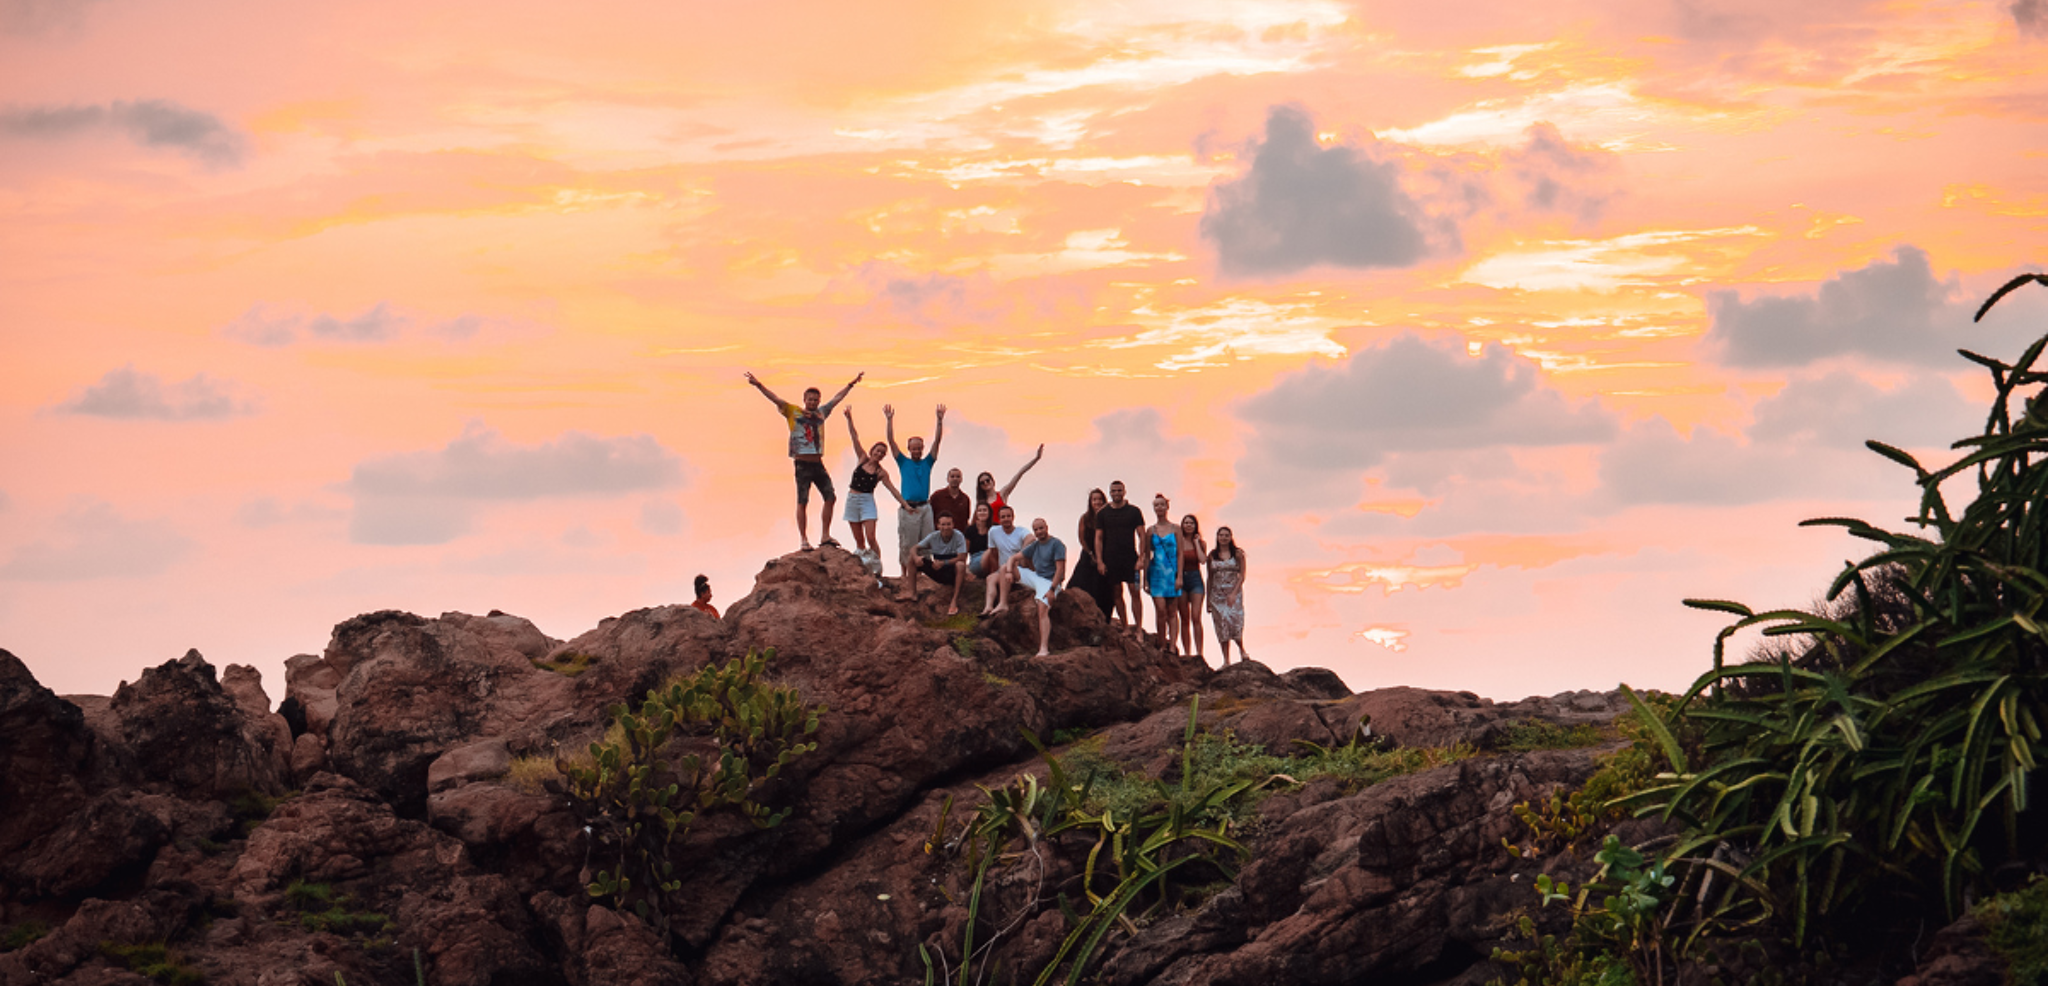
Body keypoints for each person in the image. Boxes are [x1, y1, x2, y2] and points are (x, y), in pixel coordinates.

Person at [746, 370, 862, 551]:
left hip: (817, 463)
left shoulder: (822, 413)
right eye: (810, 399)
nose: (813, 402)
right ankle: (803, 539)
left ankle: (825, 535)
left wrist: (851, 384)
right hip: (802, 464)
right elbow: (775, 399)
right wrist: (758, 384)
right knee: (802, 501)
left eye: (816, 400)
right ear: (804, 400)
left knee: (830, 497)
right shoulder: (793, 412)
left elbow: (837, 398)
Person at [841, 410, 908, 573]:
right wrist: (850, 419)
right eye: (877, 451)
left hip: (866, 501)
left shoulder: (881, 472)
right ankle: (865, 569)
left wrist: (905, 505)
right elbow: (854, 438)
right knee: (859, 541)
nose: (878, 454)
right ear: (872, 451)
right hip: (852, 499)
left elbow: (893, 490)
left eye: (882, 453)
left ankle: (877, 568)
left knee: (871, 537)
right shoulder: (862, 459)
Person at [887, 404, 945, 585]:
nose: (917, 451)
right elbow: (891, 442)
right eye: (914, 448)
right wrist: (889, 420)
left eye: (919, 448)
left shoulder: (927, 462)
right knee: (907, 542)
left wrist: (939, 421)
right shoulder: (903, 462)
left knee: (927, 541)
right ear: (909, 448)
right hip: (909, 507)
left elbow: (937, 443)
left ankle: (925, 575)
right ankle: (905, 575)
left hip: (925, 507)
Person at [999, 517, 1067, 657]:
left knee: (1042, 608)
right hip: (1036, 577)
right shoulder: (1035, 545)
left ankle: (1043, 648)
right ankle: (1003, 603)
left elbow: (1060, 570)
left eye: (1041, 528)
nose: (1039, 532)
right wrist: (1010, 573)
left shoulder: (1057, 544)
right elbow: (1013, 558)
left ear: (1046, 527)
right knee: (1005, 567)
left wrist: (1052, 589)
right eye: (1036, 530)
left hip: (1049, 581)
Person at [1092, 481, 1146, 627]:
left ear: (1124, 492)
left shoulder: (1134, 511)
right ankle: (1125, 626)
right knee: (1117, 594)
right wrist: (1100, 561)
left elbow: (1142, 535)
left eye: (1119, 490)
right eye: (1113, 491)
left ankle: (1139, 628)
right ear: (1110, 493)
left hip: (1131, 559)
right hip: (1111, 559)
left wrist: (1142, 557)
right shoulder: (1103, 513)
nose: (1116, 493)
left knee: (1135, 593)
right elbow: (1098, 538)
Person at [1136, 493, 1182, 653]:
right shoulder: (1151, 530)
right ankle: (1162, 643)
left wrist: (1180, 576)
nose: (1159, 508)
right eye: (1156, 505)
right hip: (1156, 573)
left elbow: (1180, 553)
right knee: (1160, 610)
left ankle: (1172, 645)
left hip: (1172, 573)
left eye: (1162, 504)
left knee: (1172, 611)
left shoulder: (1176, 529)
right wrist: (1145, 581)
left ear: (1167, 507)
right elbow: (1147, 556)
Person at [909, 512, 969, 615]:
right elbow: (914, 548)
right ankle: (913, 593)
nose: (946, 527)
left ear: (953, 525)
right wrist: (916, 557)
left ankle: (954, 600)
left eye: (948, 524)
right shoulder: (933, 537)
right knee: (911, 559)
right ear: (938, 525)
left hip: (951, 571)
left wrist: (944, 563)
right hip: (937, 569)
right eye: (943, 524)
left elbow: (962, 557)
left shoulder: (958, 536)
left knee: (960, 565)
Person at [978, 505, 1030, 616]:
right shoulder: (994, 531)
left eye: (1008, 516)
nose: (1006, 519)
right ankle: (988, 607)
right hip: (1002, 571)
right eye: (1003, 517)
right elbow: (993, 553)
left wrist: (1021, 553)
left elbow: (1031, 539)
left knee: (1005, 567)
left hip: (1018, 569)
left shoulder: (1021, 531)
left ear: (1013, 517)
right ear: (999, 519)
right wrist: (993, 569)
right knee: (990, 578)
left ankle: (1003, 603)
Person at [1067, 488, 1111, 619]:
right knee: (1079, 583)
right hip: (1088, 555)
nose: (1097, 502)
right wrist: (1090, 553)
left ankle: (1104, 617)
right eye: (1094, 499)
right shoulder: (1085, 518)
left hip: (1106, 555)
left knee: (1104, 588)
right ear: (1090, 502)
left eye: (1099, 499)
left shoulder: (1108, 517)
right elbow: (1081, 538)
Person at [1207, 526, 1248, 665]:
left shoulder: (1237, 554)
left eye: (1226, 535)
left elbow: (1242, 575)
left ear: (1231, 537)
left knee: (1235, 622)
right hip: (1217, 594)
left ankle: (1242, 650)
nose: (1223, 538)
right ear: (1217, 537)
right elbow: (1210, 577)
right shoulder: (1212, 555)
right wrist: (1208, 599)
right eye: (1221, 535)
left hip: (1233, 592)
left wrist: (1234, 593)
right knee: (1221, 624)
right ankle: (1226, 659)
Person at [973, 444, 1045, 519]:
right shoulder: (982, 501)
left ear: (993, 481)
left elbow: (1019, 474)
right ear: (980, 486)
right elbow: (974, 520)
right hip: (988, 530)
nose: (985, 483)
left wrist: (1036, 458)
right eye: (982, 482)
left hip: (1002, 528)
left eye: (987, 480)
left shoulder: (1002, 494)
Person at [1175, 514, 1209, 661]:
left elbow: (1202, 560)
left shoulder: (1201, 543)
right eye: (1186, 523)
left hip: (1195, 579)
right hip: (1181, 579)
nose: (1188, 525)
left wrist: (1196, 543)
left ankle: (1199, 653)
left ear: (1195, 526)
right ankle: (1187, 652)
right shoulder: (1177, 542)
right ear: (1182, 525)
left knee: (1196, 617)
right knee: (1184, 618)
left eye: (1191, 523)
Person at [930, 468, 973, 534]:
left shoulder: (965, 499)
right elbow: (929, 516)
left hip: (958, 537)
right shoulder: (937, 496)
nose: (955, 479)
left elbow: (966, 520)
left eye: (958, 476)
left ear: (961, 479)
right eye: (952, 476)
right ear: (948, 479)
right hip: (939, 536)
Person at [962, 501, 994, 578]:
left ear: (989, 512)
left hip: (994, 559)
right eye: (980, 510)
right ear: (976, 513)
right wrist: (964, 571)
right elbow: (965, 551)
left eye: (984, 510)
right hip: (976, 560)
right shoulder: (970, 530)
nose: (982, 513)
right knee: (991, 550)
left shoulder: (994, 528)